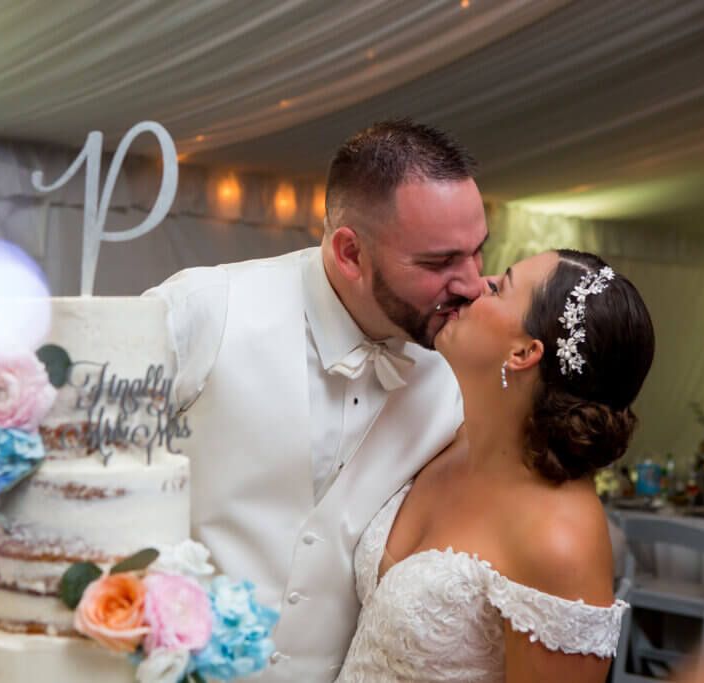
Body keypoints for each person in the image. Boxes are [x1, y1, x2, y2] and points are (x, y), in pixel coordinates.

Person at [144, 119, 488, 681]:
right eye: (438, 263)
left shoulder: (457, 371)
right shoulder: (205, 308)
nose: (472, 283)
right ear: (350, 253)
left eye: (477, 253)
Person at [337, 249, 655, 682]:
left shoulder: (560, 541)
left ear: (524, 352)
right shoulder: (444, 439)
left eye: (499, 286)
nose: (475, 285)